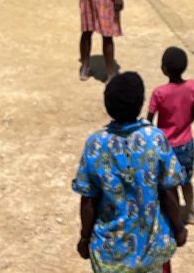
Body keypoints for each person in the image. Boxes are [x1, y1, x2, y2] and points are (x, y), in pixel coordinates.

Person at [73, 72, 187, 273]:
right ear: (141, 103)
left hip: (110, 255)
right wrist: (178, 228)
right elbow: (169, 191)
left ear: (107, 106)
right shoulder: (155, 139)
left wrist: (84, 238)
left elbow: (88, 200)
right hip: (151, 250)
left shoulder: (95, 145)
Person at [147, 46, 194, 225]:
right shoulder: (192, 87)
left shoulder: (159, 93)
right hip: (186, 143)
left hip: (165, 146)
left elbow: (149, 120)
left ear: (164, 69)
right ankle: (191, 211)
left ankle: (172, 215)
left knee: (167, 183)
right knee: (186, 180)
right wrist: (183, 125)